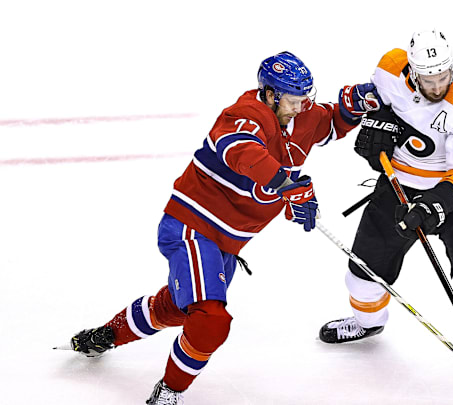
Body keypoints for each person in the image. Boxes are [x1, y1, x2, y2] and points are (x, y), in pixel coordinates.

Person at [64, 51, 381, 405]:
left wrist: (355, 105)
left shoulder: (301, 113)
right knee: (211, 320)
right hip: (192, 226)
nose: (300, 107)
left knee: (178, 307)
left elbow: (331, 120)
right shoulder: (245, 114)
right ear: (271, 94)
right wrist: (285, 184)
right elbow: (241, 151)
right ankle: (169, 392)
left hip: (227, 243)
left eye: (304, 99)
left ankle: (106, 335)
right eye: (292, 100)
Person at [318, 30, 453, 402]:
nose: (437, 85)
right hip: (398, 183)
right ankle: (367, 324)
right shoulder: (389, 69)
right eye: (429, 79)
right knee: (361, 278)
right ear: (413, 71)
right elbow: (373, 100)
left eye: (443, 77)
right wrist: (377, 123)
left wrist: (434, 206)